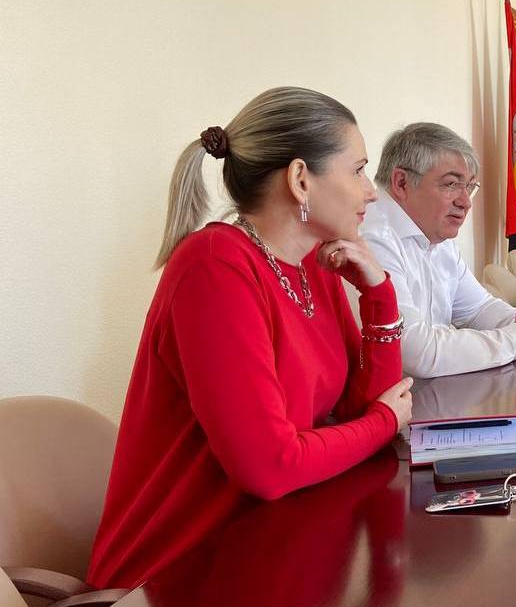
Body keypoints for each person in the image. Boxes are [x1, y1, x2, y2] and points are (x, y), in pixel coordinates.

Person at [88, 87, 414, 588]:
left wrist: (378, 294)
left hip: (275, 540)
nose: (371, 191)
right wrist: (384, 422)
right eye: (358, 170)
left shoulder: (315, 265)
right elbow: (270, 467)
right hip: (177, 571)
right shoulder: (214, 267)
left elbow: (360, 410)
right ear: (300, 180)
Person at [362, 123, 516, 378]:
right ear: (401, 182)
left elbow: (478, 308)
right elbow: (415, 353)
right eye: (451, 184)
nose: (465, 202)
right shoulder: (372, 236)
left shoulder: (436, 235)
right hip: (394, 398)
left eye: (469, 187)